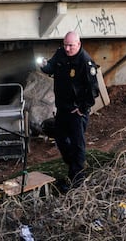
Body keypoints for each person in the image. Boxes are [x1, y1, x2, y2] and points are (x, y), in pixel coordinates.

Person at [40, 31, 100, 189]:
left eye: (70, 45)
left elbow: (93, 90)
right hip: (62, 108)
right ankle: (74, 165)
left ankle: (78, 179)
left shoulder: (85, 62)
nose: (67, 48)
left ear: (78, 44)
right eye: (65, 44)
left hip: (76, 111)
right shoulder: (61, 54)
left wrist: (83, 109)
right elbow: (50, 68)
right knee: (60, 139)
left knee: (77, 144)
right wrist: (44, 66)